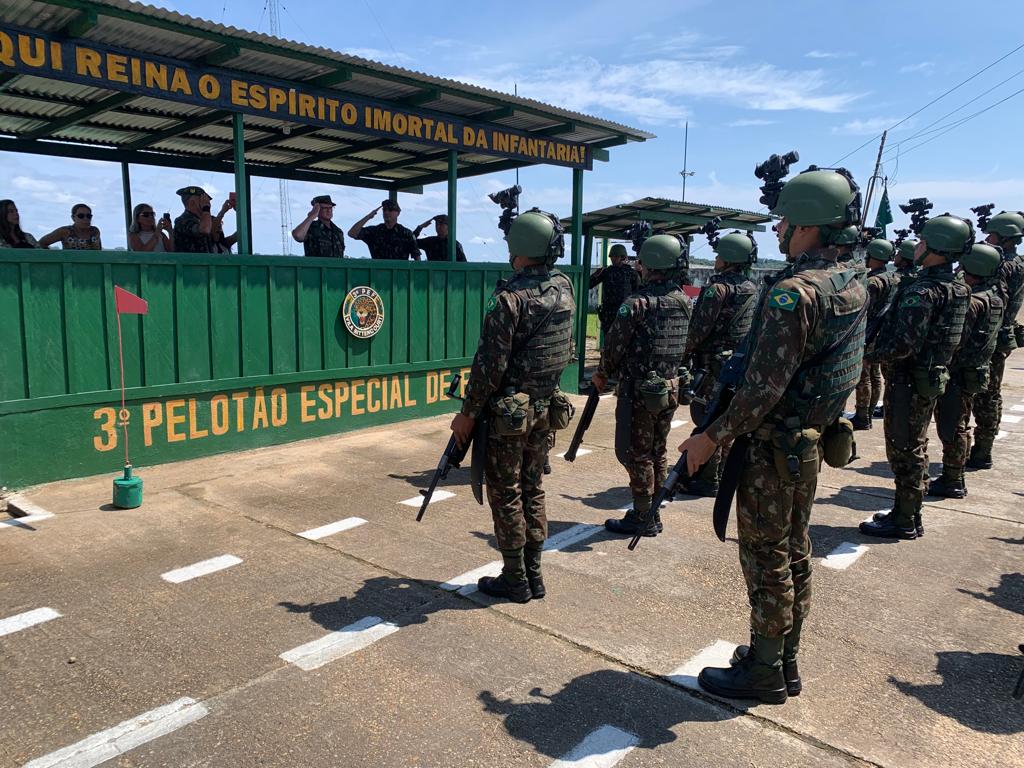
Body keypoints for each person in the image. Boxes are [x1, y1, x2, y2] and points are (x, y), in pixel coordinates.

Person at [678, 166, 868, 704]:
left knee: (766, 560)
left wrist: (710, 437)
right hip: (806, 443)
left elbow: (761, 388)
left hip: (772, 448)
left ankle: (764, 671)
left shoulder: (794, 293)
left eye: (786, 219)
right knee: (793, 552)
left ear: (809, 225)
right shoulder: (851, 279)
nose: (780, 229)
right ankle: (782, 658)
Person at [449, 209, 576, 603]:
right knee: (533, 488)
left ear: (520, 247)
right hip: (544, 408)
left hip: (508, 416)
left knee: (507, 493)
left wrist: (467, 414)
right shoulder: (564, 287)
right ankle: (535, 575)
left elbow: (489, 366)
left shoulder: (508, 298)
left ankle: (515, 577)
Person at [860, 214, 973, 540]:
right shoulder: (958, 289)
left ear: (938, 246)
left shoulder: (922, 293)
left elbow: (902, 345)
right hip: (930, 375)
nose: (917, 245)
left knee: (905, 449)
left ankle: (905, 518)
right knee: (916, 444)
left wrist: (866, 354)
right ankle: (908, 513)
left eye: (923, 241)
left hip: (908, 380)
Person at [594, 234, 690, 537]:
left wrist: (602, 374)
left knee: (636, 453)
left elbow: (614, 347)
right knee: (658, 451)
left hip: (639, 392)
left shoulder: (637, 304)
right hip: (670, 389)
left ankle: (642, 515)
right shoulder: (684, 301)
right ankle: (654, 510)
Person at [678, 231, 758, 497]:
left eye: (719, 254)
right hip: (738, 363)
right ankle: (721, 473)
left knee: (707, 418)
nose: (716, 259)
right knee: (725, 417)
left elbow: (699, 328)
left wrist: (683, 352)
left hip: (714, 364)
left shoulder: (717, 289)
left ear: (729, 258)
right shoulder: (751, 288)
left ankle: (706, 478)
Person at [928, 243, 1005, 499]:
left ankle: (953, 478)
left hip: (959, 372)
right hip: (976, 369)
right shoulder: (995, 296)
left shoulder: (974, 303)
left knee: (953, 426)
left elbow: (957, 339)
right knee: (960, 422)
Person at [968, 210, 1024, 470]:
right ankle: (983, 449)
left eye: (991, 234)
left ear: (1005, 237)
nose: (987, 239)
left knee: (979, 392)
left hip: (987, 335)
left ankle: (976, 450)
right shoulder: (1019, 264)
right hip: (1003, 335)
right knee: (992, 394)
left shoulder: (1000, 266)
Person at [851, 239, 899, 430]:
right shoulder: (894, 278)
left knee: (864, 376)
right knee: (875, 374)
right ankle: (869, 412)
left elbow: (862, 308)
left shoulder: (872, 282)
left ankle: (863, 416)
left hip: (868, 331)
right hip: (882, 333)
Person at [589, 243, 640, 337]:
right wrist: (595, 275)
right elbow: (589, 284)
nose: (613, 259)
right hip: (609, 313)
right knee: (609, 339)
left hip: (625, 311)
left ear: (623, 257)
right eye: (612, 256)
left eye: (616, 256)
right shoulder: (606, 272)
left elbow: (637, 293)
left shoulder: (631, 273)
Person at [348, 199, 420, 260]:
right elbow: (352, 233)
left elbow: (417, 257)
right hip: (378, 274)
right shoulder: (374, 231)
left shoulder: (406, 233)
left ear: (398, 213)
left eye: (390, 209)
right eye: (384, 210)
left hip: (400, 274)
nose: (386, 212)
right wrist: (368, 216)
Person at [173, 186, 215, 253]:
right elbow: (205, 229)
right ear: (192, 202)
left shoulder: (200, 220)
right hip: (190, 262)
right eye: (203, 200)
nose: (207, 202)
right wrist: (206, 208)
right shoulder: (182, 221)